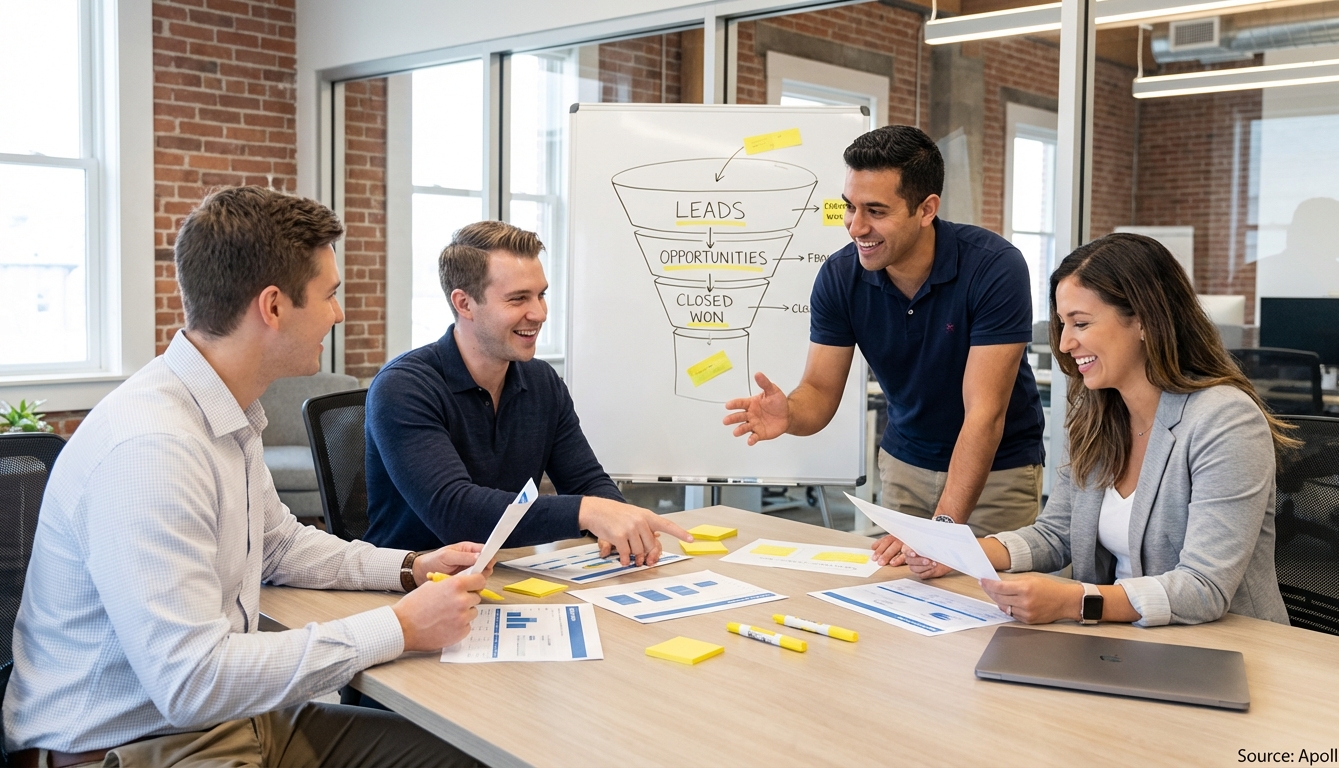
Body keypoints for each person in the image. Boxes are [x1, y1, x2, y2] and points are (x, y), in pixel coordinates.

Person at [2, 187, 490, 767]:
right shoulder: (152, 448)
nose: (338, 314)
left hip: (232, 721)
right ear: (274, 307)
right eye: (329, 295)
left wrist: (410, 568)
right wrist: (396, 628)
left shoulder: (223, 409)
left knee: (471, 757)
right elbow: (192, 682)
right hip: (136, 748)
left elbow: (278, 544)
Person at [906, 232, 1294, 627]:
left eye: (1082, 323)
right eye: (1063, 324)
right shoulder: (1096, 413)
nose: (1067, 342)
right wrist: (958, 551)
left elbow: (1203, 589)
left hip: (1227, 649)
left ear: (1144, 320)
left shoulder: (1225, 421)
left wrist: (1074, 601)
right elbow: (1057, 534)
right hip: (1124, 641)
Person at [723, 125, 1044, 556]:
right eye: (850, 208)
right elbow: (818, 390)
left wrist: (943, 530)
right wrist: (791, 414)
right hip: (905, 465)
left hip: (997, 472)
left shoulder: (994, 268)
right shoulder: (840, 277)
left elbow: (984, 414)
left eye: (875, 210)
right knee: (906, 600)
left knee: (992, 605)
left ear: (926, 209)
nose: (856, 227)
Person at [363, 221, 691, 565]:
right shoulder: (403, 387)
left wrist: (622, 523)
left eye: (541, 294)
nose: (539, 313)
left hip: (505, 571)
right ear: (464, 303)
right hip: (407, 584)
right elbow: (455, 512)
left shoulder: (541, 381)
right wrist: (588, 512)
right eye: (518, 298)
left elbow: (585, 480)